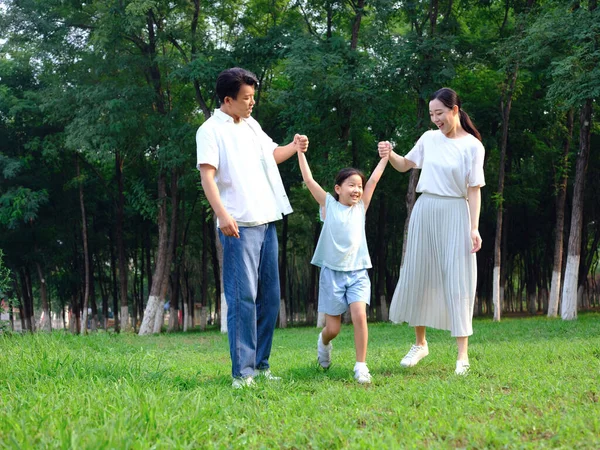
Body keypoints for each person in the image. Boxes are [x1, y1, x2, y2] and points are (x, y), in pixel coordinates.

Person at [196, 67, 309, 388]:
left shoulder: (251, 125)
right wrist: (222, 215)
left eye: (253, 98)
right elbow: (207, 176)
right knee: (242, 298)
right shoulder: (209, 131)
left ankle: (260, 365)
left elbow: (272, 155)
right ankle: (241, 373)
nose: (251, 103)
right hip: (238, 224)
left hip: (266, 219)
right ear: (228, 100)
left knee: (270, 298)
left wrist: (295, 145)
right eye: (246, 98)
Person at [379, 87, 485, 376]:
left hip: (456, 212)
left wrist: (474, 227)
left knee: (459, 277)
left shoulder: (473, 146)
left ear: (454, 110)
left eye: (439, 113)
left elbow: (474, 190)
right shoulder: (429, 138)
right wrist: (390, 154)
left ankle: (462, 355)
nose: (435, 119)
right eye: (431, 114)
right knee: (419, 273)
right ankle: (420, 343)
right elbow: (404, 165)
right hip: (425, 210)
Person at [297, 145, 388, 384]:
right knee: (333, 329)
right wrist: (299, 151)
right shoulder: (328, 205)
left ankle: (361, 366)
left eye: (359, 185)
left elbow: (375, 180)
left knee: (360, 316)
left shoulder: (361, 208)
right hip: (332, 275)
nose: (357, 189)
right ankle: (323, 342)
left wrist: (385, 157)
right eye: (351, 185)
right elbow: (308, 179)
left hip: (357, 273)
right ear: (338, 189)